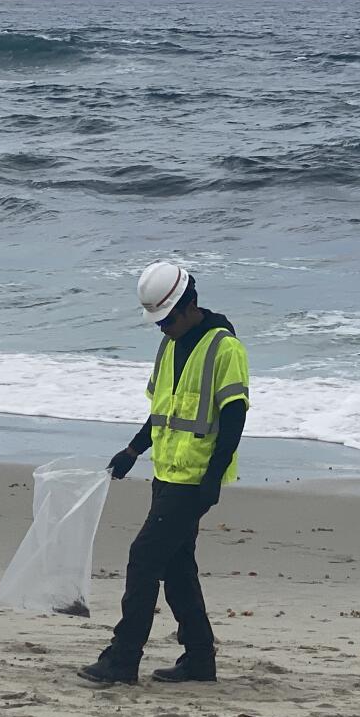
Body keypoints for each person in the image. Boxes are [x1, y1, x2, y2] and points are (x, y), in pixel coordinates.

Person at [78, 261, 250, 685]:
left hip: (194, 481)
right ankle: (199, 659)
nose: (162, 327)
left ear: (190, 305)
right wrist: (134, 450)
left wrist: (213, 478)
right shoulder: (170, 346)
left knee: (143, 560)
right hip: (166, 474)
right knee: (176, 569)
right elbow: (162, 412)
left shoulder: (224, 349)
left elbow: (233, 420)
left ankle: (123, 659)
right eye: (157, 321)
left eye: (167, 319)